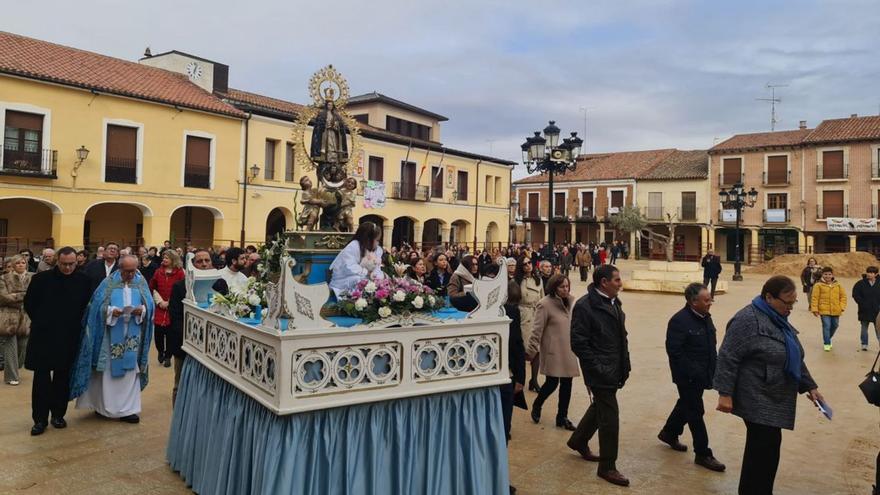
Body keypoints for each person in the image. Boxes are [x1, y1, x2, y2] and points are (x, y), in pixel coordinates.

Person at [714, 275, 823, 495]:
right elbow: (728, 356)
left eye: (794, 303)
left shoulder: (778, 318)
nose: (790, 307)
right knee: (762, 448)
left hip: (775, 394)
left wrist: (810, 386)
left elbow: (793, 355)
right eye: (787, 303)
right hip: (756, 394)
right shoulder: (748, 319)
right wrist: (724, 393)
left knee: (768, 448)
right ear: (769, 297)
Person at [71, 255, 155, 424]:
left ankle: (128, 410)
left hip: (133, 334)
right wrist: (109, 311)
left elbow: (150, 304)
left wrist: (143, 310)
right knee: (109, 373)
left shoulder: (141, 282)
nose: (131, 275)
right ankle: (105, 407)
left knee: (130, 372)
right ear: (120, 268)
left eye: (134, 270)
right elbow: (95, 307)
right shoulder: (108, 283)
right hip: (110, 335)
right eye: (127, 271)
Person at [568, 264, 632, 487]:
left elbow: (621, 337)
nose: (620, 283)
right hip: (600, 372)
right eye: (616, 280)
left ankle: (578, 440)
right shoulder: (586, 306)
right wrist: (598, 368)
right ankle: (607, 466)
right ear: (604, 282)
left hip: (614, 368)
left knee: (600, 408)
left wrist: (626, 363)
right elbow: (578, 342)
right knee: (610, 418)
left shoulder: (614, 302)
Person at [23, 246, 91, 435]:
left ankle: (58, 415)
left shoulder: (83, 281)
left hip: (68, 336)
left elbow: (85, 306)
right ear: (57, 262)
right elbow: (29, 303)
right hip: (43, 336)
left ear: (76, 262)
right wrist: (42, 321)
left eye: (71, 264)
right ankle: (39, 420)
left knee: (63, 377)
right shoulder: (40, 280)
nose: (68, 268)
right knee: (41, 379)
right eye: (64, 264)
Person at [658, 283, 725, 472]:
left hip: (703, 373)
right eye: (706, 300)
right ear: (693, 302)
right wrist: (693, 372)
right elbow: (675, 352)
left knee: (686, 404)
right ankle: (703, 453)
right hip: (687, 377)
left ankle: (669, 432)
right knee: (695, 411)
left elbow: (710, 347)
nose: (710, 302)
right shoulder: (679, 321)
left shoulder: (705, 317)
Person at [527, 274, 578, 430]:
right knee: (552, 383)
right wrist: (531, 349)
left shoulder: (570, 302)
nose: (565, 289)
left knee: (567, 384)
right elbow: (537, 329)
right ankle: (538, 404)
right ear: (554, 287)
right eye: (562, 287)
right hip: (553, 350)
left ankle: (562, 417)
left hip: (568, 349)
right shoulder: (544, 304)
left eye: (567, 286)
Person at [168, 249, 213, 404]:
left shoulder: (219, 283)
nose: (204, 264)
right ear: (193, 265)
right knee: (180, 385)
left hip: (211, 346)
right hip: (184, 344)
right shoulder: (180, 287)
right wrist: (191, 340)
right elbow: (175, 317)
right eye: (200, 261)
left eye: (207, 260)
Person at [501, 281, 526, 495]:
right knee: (502, 429)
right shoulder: (511, 311)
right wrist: (520, 377)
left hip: (503, 376)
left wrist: (520, 377)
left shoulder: (510, 310)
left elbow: (518, 344)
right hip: (504, 377)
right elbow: (517, 344)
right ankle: (499, 478)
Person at [328, 222, 386, 297]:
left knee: (381, 281)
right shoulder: (353, 246)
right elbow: (349, 267)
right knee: (359, 281)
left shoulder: (377, 250)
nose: (378, 243)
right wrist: (367, 273)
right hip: (345, 278)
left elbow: (377, 269)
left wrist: (377, 277)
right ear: (368, 238)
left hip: (366, 276)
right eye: (377, 240)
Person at [0, 254, 32, 385]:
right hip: (9, 317)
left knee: (22, 347)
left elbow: (35, 296)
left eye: (22, 262)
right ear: (13, 265)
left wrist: (15, 295)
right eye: (17, 263)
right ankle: (11, 376)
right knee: (10, 346)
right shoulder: (4, 278)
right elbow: (3, 297)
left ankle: (16, 367)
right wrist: (24, 295)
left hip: (26, 316)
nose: (20, 265)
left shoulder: (33, 278)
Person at [514, 256, 545, 393]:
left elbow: (543, 299)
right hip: (523, 315)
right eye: (524, 264)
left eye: (529, 263)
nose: (527, 265)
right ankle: (519, 379)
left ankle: (534, 380)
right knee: (522, 349)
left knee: (537, 349)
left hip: (536, 314)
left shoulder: (539, 280)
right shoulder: (516, 282)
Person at [150, 250, 184, 368]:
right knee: (158, 333)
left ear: (173, 260)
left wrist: (169, 302)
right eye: (163, 257)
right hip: (160, 307)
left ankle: (168, 356)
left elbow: (181, 290)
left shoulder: (180, 273)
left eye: (167, 258)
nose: (164, 259)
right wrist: (159, 301)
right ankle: (160, 351)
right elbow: (152, 287)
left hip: (172, 308)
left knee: (171, 334)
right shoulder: (158, 272)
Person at [810, 266, 847, 351]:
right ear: (822, 275)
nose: (827, 276)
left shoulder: (838, 285)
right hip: (823, 309)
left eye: (829, 274)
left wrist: (842, 307)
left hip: (836, 309)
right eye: (825, 274)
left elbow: (843, 297)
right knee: (826, 326)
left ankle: (828, 338)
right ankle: (827, 343)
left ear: (832, 275)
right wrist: (815, 309)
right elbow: (814, 298)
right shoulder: (818, 285)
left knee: (835, 325)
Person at [852, 266, 880, 351]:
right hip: (864, 310)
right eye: (868, 272)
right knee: (864, 328)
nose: (869, 274)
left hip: (877, 311)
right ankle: (864, 344)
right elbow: (855, 294)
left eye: (872, 273)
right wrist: (862, 303)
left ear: (876, 274)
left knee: (878, 329)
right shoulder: (860, 283)